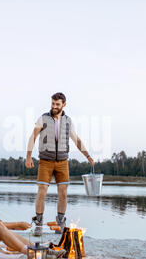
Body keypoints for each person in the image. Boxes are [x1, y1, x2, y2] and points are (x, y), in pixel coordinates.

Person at [25, 92, 94, 236]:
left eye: (57, 104)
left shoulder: (68, 121)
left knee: (63, 193)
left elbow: (76, 140)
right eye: (53, 104)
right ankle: (38, 222)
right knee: (41, 191)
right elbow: (33, 136)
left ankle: (60, 222)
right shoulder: (43, 118)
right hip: (45, 161)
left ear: (64, 104)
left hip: (63, 162)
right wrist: (28, 156)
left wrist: (87, 155)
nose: (54, 106)